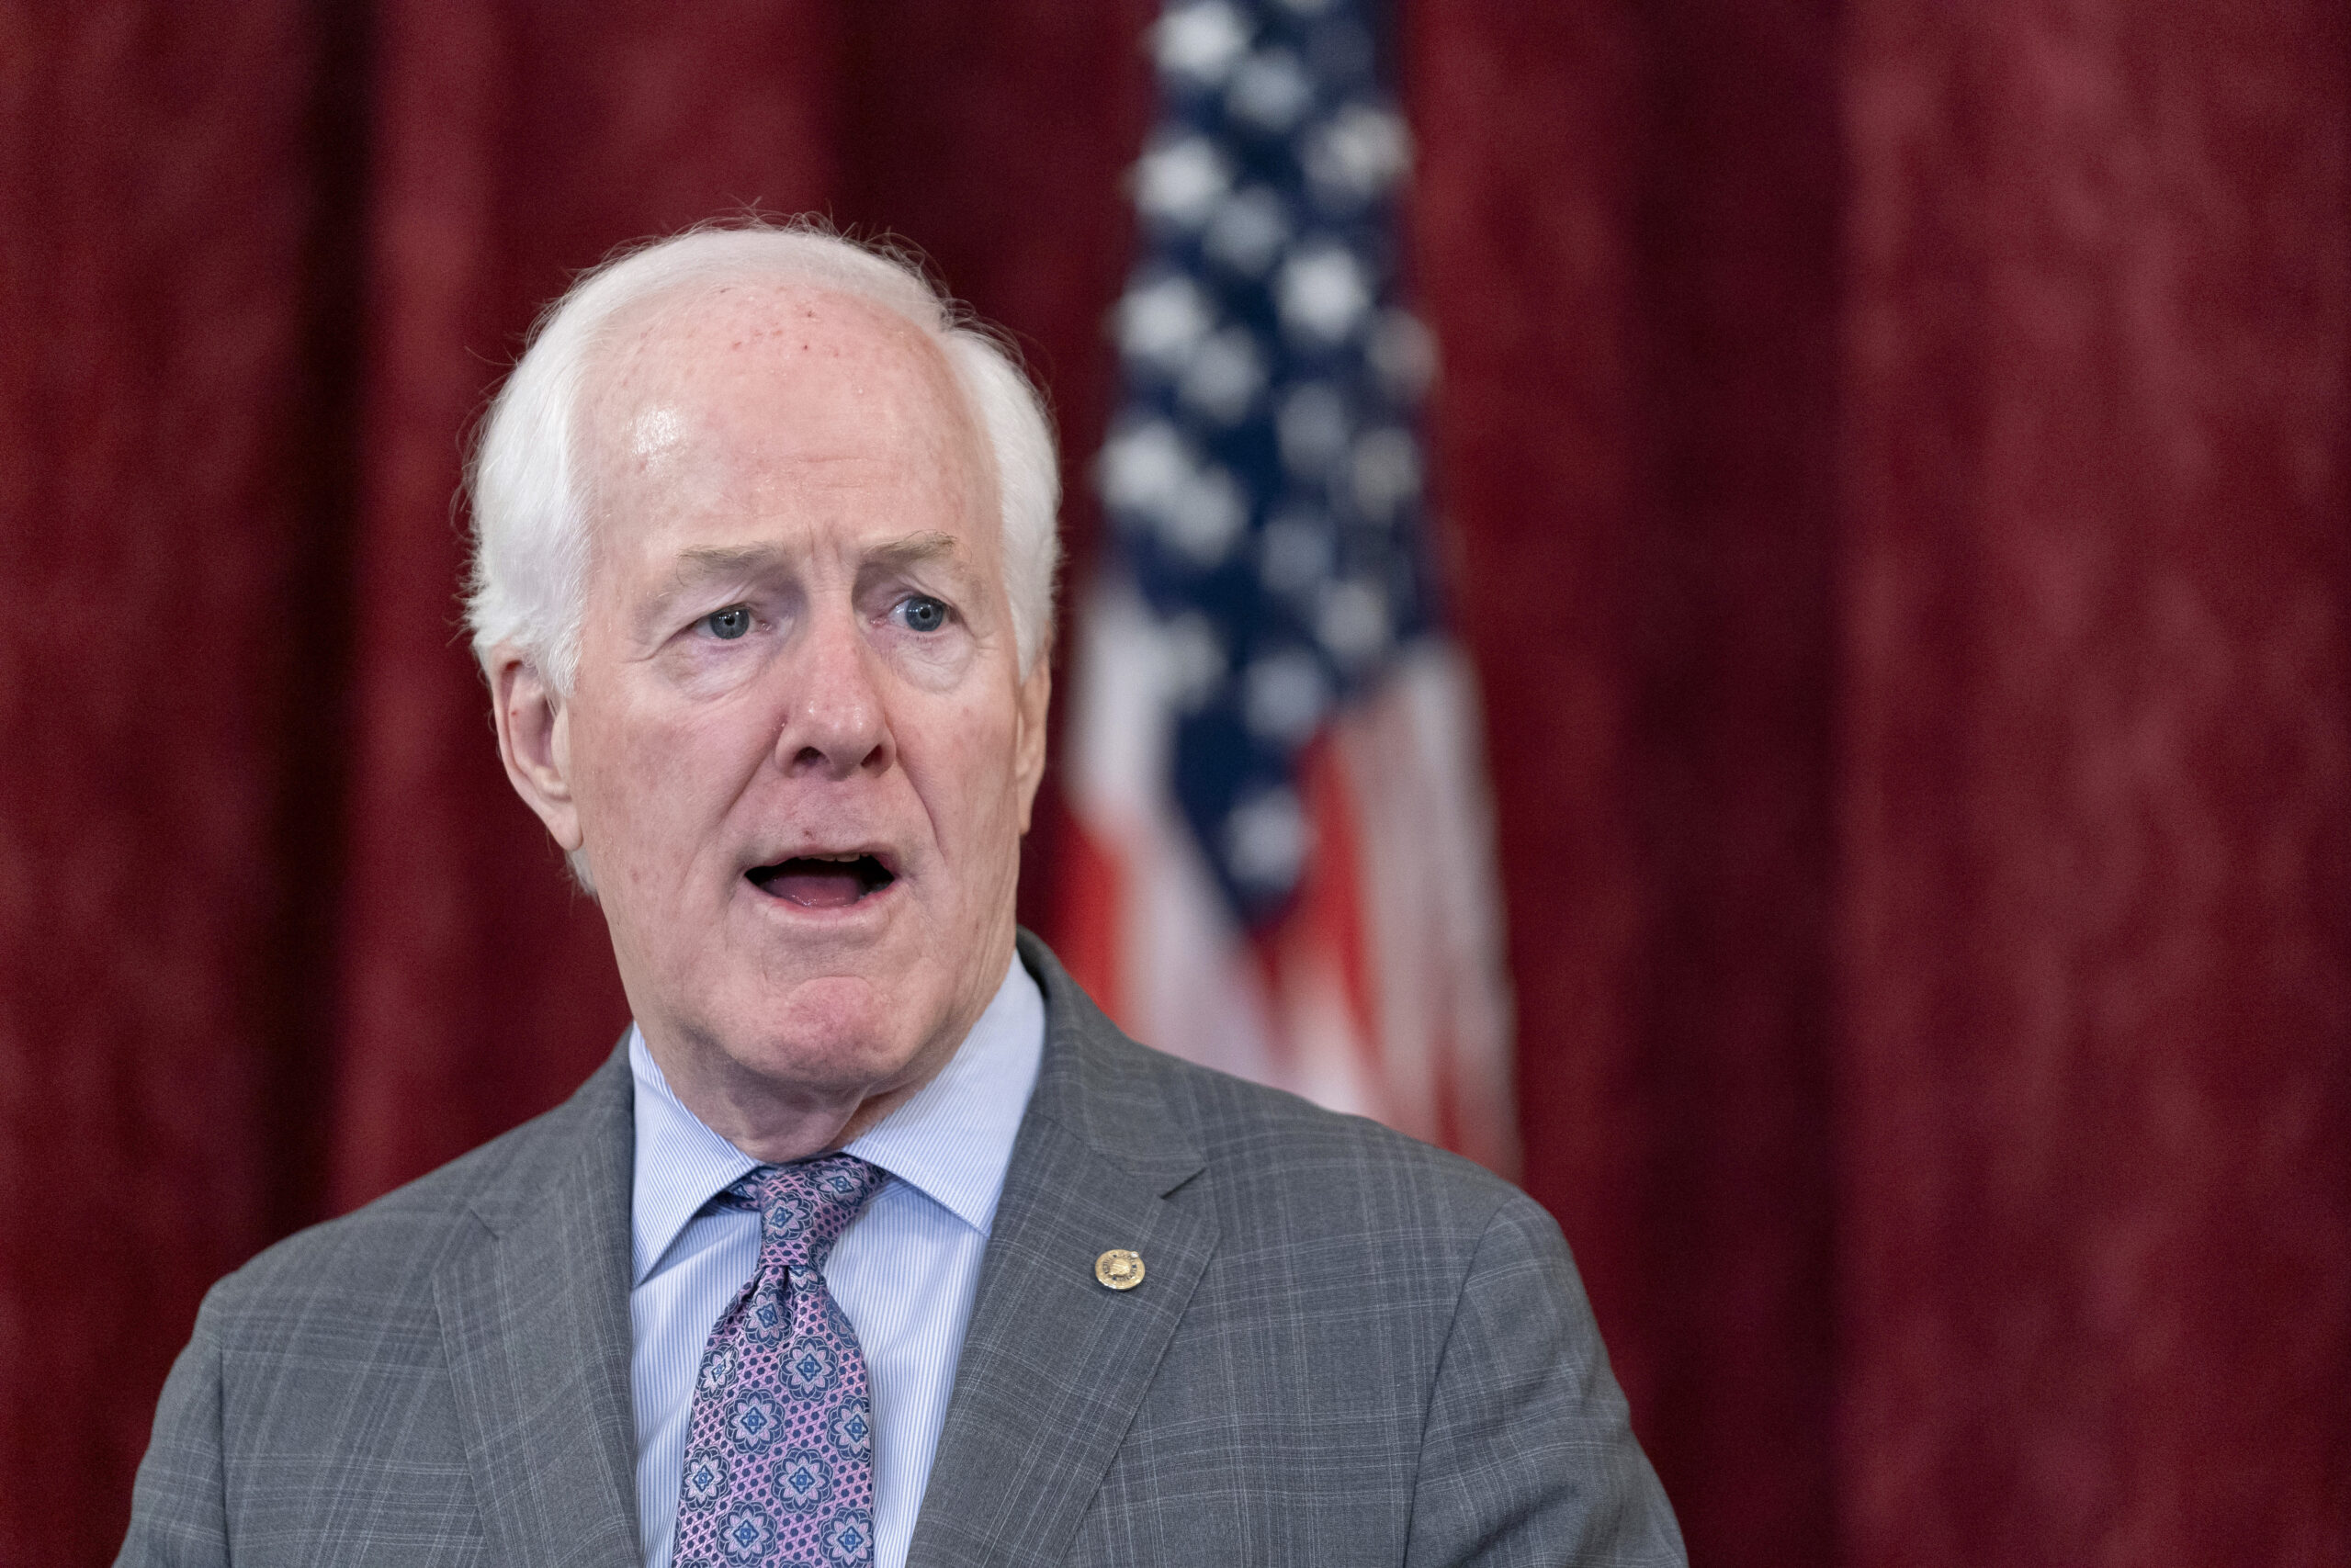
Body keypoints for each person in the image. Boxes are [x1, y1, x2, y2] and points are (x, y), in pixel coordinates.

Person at [116, 222, 1685, 1568]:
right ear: (541, 734)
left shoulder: (1424, 1317)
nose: (841, 714)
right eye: (729, 620)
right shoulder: (285, 1393)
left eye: (919, 610)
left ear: (1027, 711)